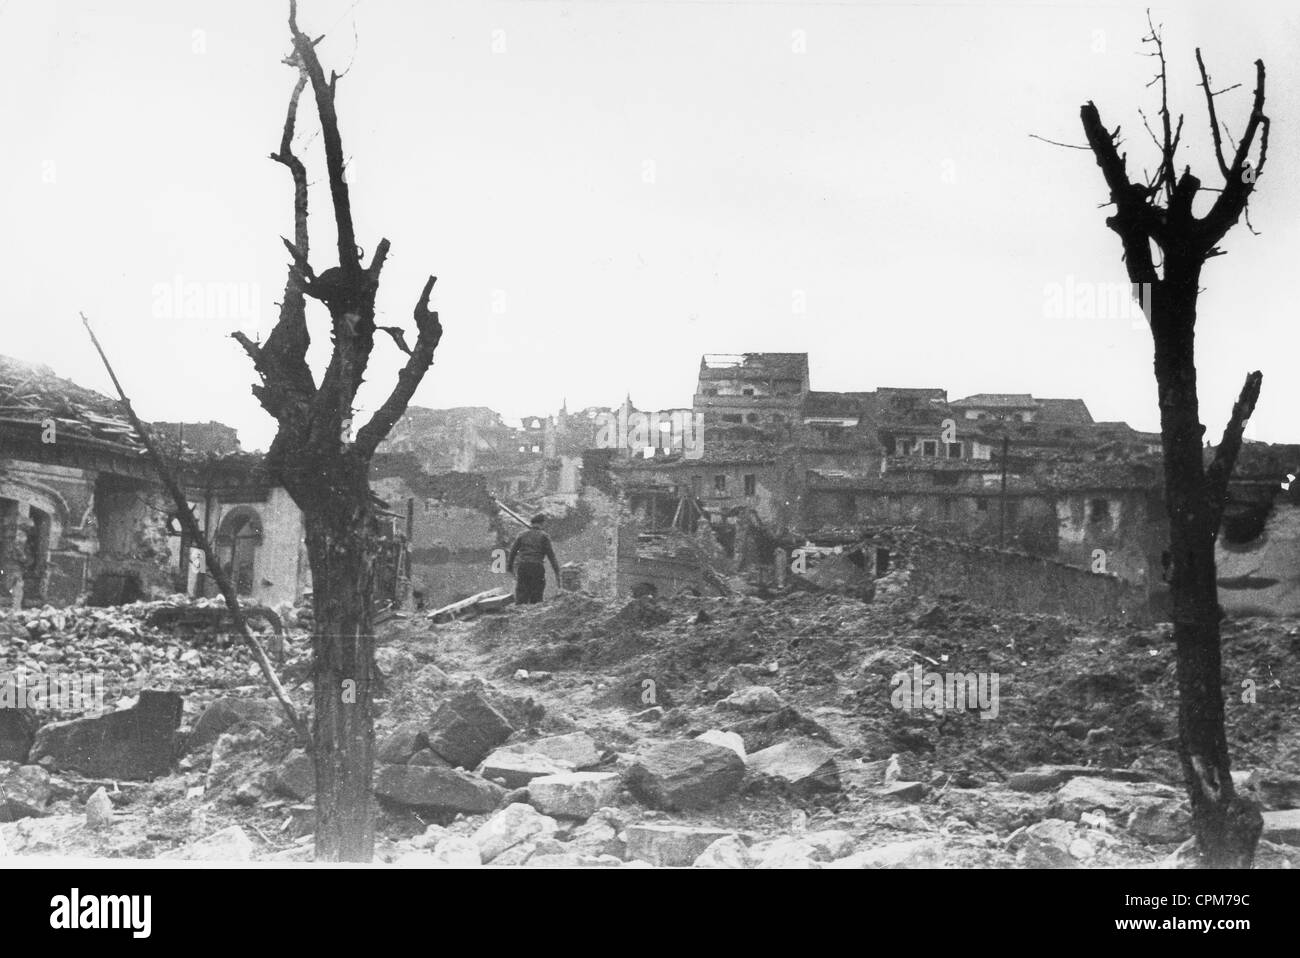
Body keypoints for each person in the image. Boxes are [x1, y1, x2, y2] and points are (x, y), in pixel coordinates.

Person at [507, 514, 561, 605]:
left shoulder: (522, 535)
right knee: (536, 596)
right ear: (542, 523)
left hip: (523, 567)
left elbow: (512, 552)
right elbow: (551, 556)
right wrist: (557, 572)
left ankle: (520, 615)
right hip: (537, 567)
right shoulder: (544, 536)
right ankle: (533, 615)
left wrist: (509, 567)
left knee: (521, 595)